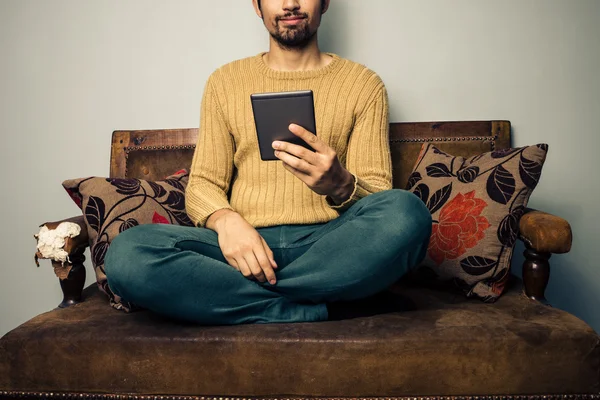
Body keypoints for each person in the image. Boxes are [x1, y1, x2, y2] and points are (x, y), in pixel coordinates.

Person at [104, 0, 432, 325]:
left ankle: (242, 299)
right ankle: (322, 305)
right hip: (243, 249)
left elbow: (381, 199)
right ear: (257, 6)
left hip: (331, 246)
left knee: (408, 213)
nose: (290, 4)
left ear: (325, 2)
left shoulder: (364, 84)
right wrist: (226, 220)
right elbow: (203, 183)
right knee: (127, 255)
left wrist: (340, 184)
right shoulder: (225, 81)